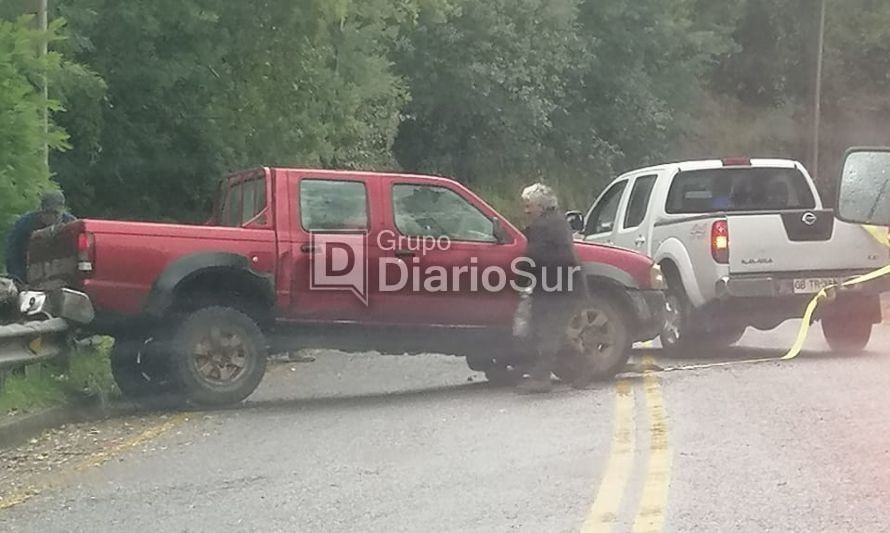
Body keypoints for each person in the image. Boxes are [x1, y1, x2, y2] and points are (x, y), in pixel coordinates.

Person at [515, 183, 586, 394]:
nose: (526, 211)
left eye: (529, 206)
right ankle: (583, 367)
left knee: (548, 332)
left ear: (541, 206)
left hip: (557, 288)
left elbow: (532, 257)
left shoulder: (543, 227)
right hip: (560, 286)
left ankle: (541, 378)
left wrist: (519, 279)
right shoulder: (556, 221)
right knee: (552, 331)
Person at [4, 190, 76, 285]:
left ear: (62, 211)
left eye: (55, 213)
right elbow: (13, 254)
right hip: (28, 275)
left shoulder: (71, 225)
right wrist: (19, 279)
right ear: (40, 210)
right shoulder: (24, 225)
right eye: (47, 213)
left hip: (60, 277)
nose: (51, 217)